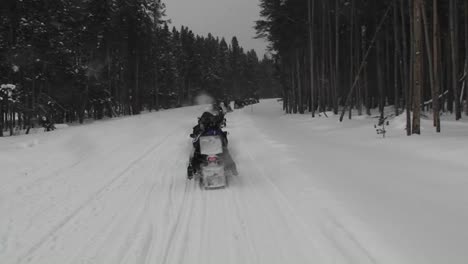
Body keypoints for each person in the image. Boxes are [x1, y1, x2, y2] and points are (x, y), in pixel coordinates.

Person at [188, 110, 237, 179]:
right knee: (226, 152)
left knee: (195, 155)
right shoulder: (216, 129)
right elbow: (224, 141)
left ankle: (192, 170)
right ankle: (233, 168)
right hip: (216, 149)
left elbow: (195, 143)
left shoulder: (203, 131)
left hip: (207, 150)